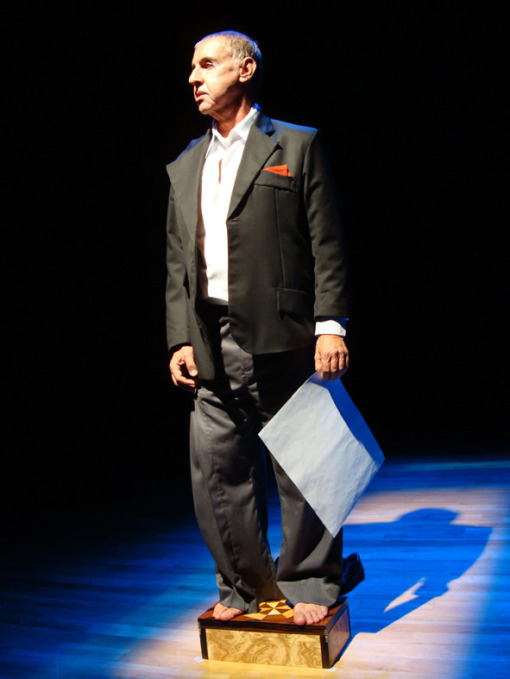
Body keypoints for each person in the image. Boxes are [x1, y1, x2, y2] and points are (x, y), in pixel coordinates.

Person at [165, 31, 361, 626]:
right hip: (210, 337)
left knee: (306, 464)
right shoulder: (186, 163)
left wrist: (331, 325)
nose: (194, 77)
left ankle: (312, 582)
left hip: (286, 333)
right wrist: (179, 337)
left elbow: (327, 243)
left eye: (207, 65)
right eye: (192, 68)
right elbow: (178, 261)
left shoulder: (296, 145)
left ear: (245, 69)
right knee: (218, 472)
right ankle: (244, 589)